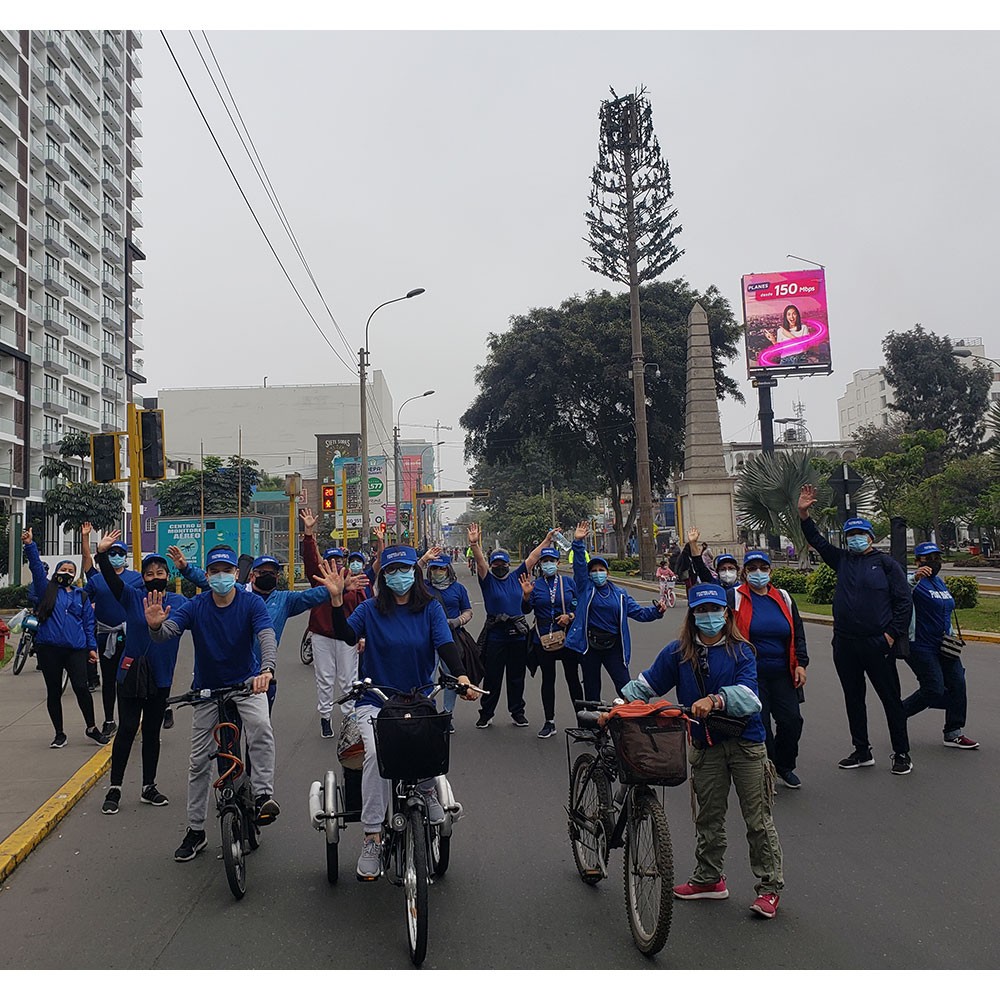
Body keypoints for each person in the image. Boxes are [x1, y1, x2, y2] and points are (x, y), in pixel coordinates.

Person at [313, 545, 478, 880]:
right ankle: (372, 836)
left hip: (418, 697)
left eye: (403, 569)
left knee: (433, 741)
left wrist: (461, 675)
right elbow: (346, 636)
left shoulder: (430, 608)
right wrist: (334, 601)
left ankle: (429, 791)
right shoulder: (370, 609)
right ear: (383, 577)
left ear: (414, 573)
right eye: (390, 571)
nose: (397, 576)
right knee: (375, 754)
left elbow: (445, 645)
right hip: (376, 699)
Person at [622, 582, 783, 919]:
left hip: (746, 745)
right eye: (702, 611)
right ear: (692, 616)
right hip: (705, 746)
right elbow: (648, 684)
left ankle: (769, 888)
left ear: (726, 613)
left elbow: (751, 698)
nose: (709, 617)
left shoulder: (743, 652)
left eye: (715, 610)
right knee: (708, 817)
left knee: (757, 820)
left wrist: (716, 699)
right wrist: (621, 704)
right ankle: (709, 879)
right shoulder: (677, 653)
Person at [143, 546, 281, 862]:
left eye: (227, 571)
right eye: (215, 571)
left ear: (236, 574)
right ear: (206, 576)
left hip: (247, 684)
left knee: (260, 727)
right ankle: (195, 830)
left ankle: (262, 796)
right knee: (198, 760)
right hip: (206, 691)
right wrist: (154, 625)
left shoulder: (252, 603)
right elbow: (167, 633)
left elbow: (266, 637)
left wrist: (267, 670)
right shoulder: (196, 606)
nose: (221, 576)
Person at [798, 485, 914, 774]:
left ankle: (902, 753)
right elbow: (816, 540)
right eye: (851, 535)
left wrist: (890, 635)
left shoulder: (886, 565)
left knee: (890, 699)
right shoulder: (842, 560)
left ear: (871, 537)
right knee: (853, 698)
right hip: (846, 644)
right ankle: (861, 750)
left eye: (860, 534)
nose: (855, 539)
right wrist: (803, 513)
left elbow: (903, 601)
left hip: (878, 643)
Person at [168, 547, 333, 715]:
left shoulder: (285, 600)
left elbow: (310, 596)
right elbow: (208, 580)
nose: (267, 576)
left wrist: (335, 589)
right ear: (252, 575)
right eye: (262, 572)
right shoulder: (239, 592)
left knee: (260, 729)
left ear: (277, 577)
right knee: (226, 730)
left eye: (272, 573)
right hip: (231, 674)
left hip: (263, 674)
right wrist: (186, 568)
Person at [94, 531, 187, 814]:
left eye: (160, 571)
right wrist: (101, 553)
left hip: (160, 678)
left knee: (151, 732)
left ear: (168, 575)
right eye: (149, 573)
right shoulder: (132, 597)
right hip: (130, 675)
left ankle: (149, 786)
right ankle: (115, 788)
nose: (155, 576)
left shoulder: (179, 603)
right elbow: (111, 579)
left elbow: (211, 596)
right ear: (142, 578)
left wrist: (187, 569)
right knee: (126, 729)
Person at [21, 528, 108, 749]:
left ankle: (91, 728)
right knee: (54, 691)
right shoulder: (46, 590)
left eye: (71, 569)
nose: (67, 572)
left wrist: (91, 648)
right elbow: (36, 569)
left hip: (75, 649)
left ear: (75, 573)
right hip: (48, 648)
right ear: (57, 571)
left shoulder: (82, 596)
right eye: (63, 568)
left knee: (81, 687)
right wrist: (30, 545)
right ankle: (59, 733)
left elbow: (89, 624)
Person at [730, 550, 809, 788]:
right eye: (752, 568)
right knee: (760, 724)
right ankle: (768, 767)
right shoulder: (734, 597)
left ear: (770, 571)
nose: (758, 573)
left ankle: (785, 765)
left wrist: (802, 664)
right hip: (751, 675)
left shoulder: (783, 598)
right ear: (744, 572)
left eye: (763, 568)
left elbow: (798, 631)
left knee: (792, 720)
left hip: (783, 672)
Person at [565, 520, 666, 701]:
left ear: (607, 573)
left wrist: (657, 611)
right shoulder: (585, 588)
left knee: (625, 687)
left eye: (601, 569)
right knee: (591, 688)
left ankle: (630, 723)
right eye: (594, 570)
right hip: (590, 646)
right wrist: (578, 543)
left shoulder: (620, 594)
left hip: (614, 647)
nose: (597, 573)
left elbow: (639, 613)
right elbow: (579, 566)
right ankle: (592, 725)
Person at [468, 522, 554, 730]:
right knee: (493, 677)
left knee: (517, 677)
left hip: (518, 635)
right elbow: (480, 562)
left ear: (508, 564)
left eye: (502, 564)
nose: (499, 567)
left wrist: (547, 540)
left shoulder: (519, 576)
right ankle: (486, 713)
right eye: (495, 564)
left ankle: (517, 712)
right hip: (495, 636)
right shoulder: (487, 580)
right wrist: (474, 544)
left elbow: (533, 558)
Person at [298, 509, 369, 738]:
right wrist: (308, 533)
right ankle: (325, 717)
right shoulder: (319, 578)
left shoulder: (351, 578)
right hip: (321, 635)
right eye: (330, 560)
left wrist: (362, 636)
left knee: (349, 679)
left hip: (347, 636)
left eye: (338, 560)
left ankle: (349, 719)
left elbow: (363, 608)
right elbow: (310, 559)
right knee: (325, 678)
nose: (335, 564)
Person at [902, 542, 979, 749]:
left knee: (958, 685)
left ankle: (953, 732)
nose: (934, 562)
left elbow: (945, 611)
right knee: (934, 689)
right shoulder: (913, 581)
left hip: (944, 645)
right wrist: (915, 577)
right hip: (920, 645)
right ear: (918, 561)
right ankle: (898, 713)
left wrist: (952, 635)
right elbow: (901, 592)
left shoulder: (939, 582)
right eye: (928, 558)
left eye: (937, 557)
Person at [81, 522, 143, 729]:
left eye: (120, 553)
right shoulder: (97, 580)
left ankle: (129, 718)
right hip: (105, 635)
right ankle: (109, 719)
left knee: (127, 679)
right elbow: (82, 602)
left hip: (130, 636)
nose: (116, 556)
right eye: (112, 552)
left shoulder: (136, 579)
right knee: (109, 681)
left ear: (126, 557)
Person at [519, 546, 580, 739]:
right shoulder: (535, 585)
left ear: (558, 563)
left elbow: (579, 605)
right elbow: (526, 610)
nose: (548, 564)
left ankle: (582, 721)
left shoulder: (568, 583)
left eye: (551, 561)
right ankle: (549, 721)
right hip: (542, 637)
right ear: (540, 564)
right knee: (548, 679)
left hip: (567, 637)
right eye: (544, 561)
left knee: (573, 679)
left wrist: (570, 615)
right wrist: (526, 596)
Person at [418, 549, 475, 734]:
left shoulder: (458, 589)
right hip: (425, 639)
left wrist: (458, 621)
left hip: (451, 638)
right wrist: (424, 559)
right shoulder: (424, 587)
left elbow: (468, 611)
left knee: (452, 677)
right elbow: (412, 573)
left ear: (448, 569)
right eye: (434, 568)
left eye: (441, 569)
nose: (437, 572)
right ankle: (425, 712)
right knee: (427, 677)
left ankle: (447, 715)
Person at [675, 527, 714, 594]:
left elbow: (699, 563)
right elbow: (697, 563)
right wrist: (693, 543)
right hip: (687, 574)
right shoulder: (684, 556)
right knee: (689, 587)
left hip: (694, 574)